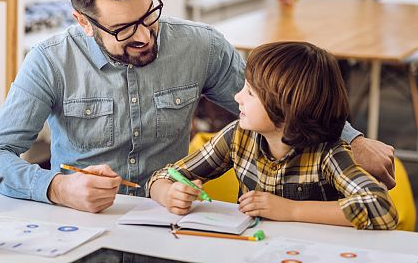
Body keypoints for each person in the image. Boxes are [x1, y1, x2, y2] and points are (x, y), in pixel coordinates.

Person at [0, 0, 395, 213]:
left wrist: (354, 140)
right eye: (122, 30)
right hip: (83, 224)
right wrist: (59, 188)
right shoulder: (49, 61)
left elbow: (280, 104)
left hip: (169, 223)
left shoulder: (201, 46)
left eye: (148, 16)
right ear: (84, 22)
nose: (142, 36)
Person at [148, 41, 398, 229]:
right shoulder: (237, 137)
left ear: (286, 111)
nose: (237, 97)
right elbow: (163, 176)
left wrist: (291, 210)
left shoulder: (328, 152)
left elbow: (382, 208)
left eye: (250, 93)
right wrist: (168, 193)